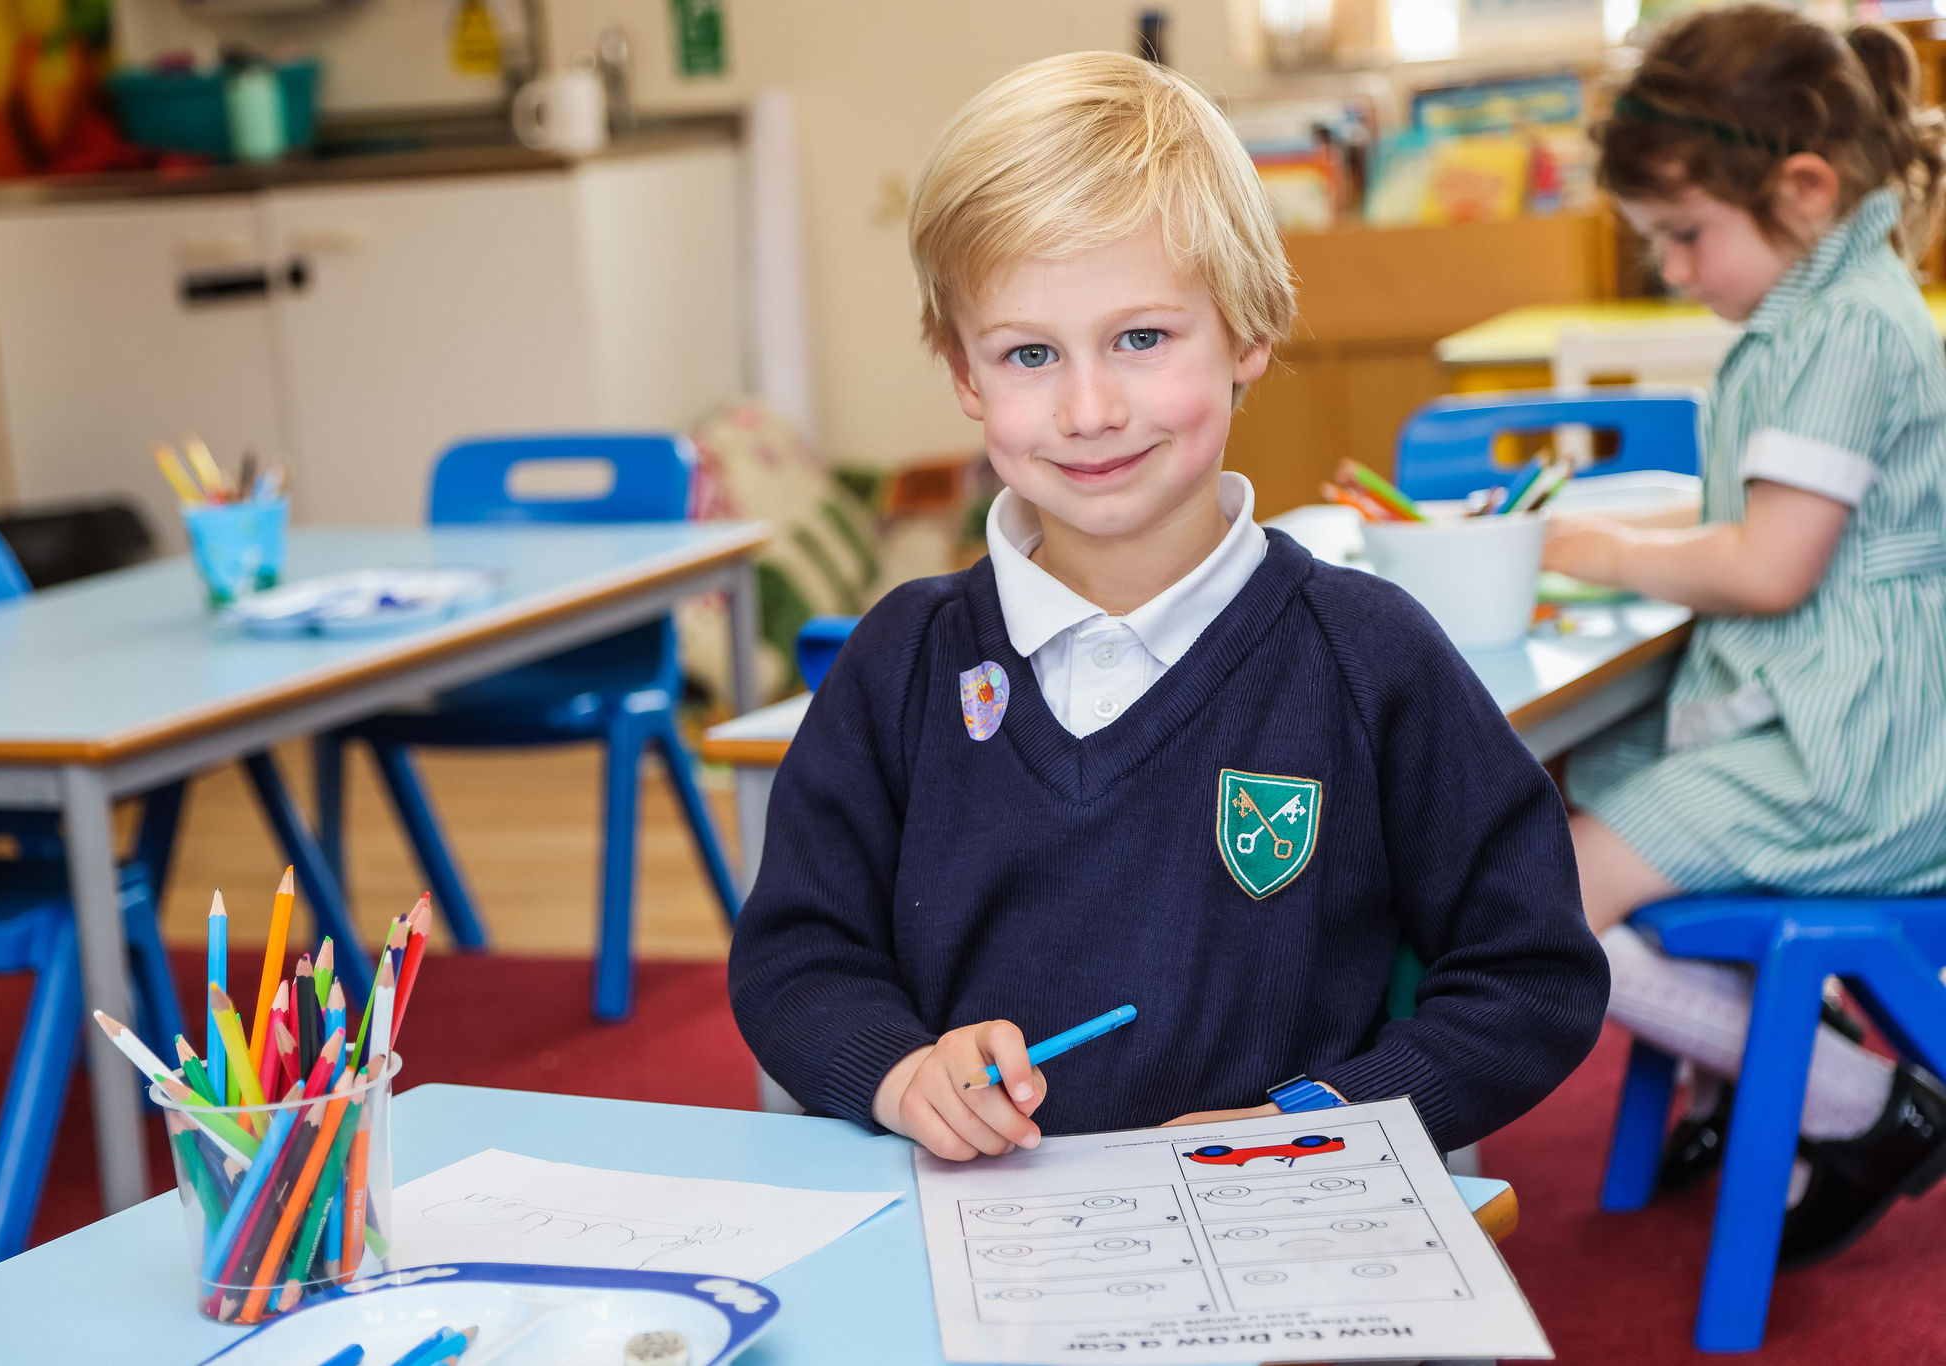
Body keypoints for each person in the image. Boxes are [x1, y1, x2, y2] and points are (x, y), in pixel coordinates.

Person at [728, 51, 1607, 1164]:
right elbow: (796, 954)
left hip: (1279, 1247)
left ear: (1247, 333)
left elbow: (1531, 974)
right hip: (977, 1260)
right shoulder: (899, 662)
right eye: (1029, 353)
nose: (1089, 408)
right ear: (963, 374)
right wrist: (902, 1075)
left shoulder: (1369, 657)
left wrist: (1319, 1121)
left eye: (1139, 339)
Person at [1543, 4, 1946, 1265]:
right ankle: (1747, 1086)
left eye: (1683, 237)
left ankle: (1858, 1101)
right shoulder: (1820, 310)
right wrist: (1648, 526)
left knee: (1532, 900)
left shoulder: (1844, 331)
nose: (1670, 270)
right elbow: (1767, 509)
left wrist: (1606, 552)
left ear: (1802, 188)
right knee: (1564, 798)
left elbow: (1770, 565)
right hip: (1818, 724)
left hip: (1855, 761)